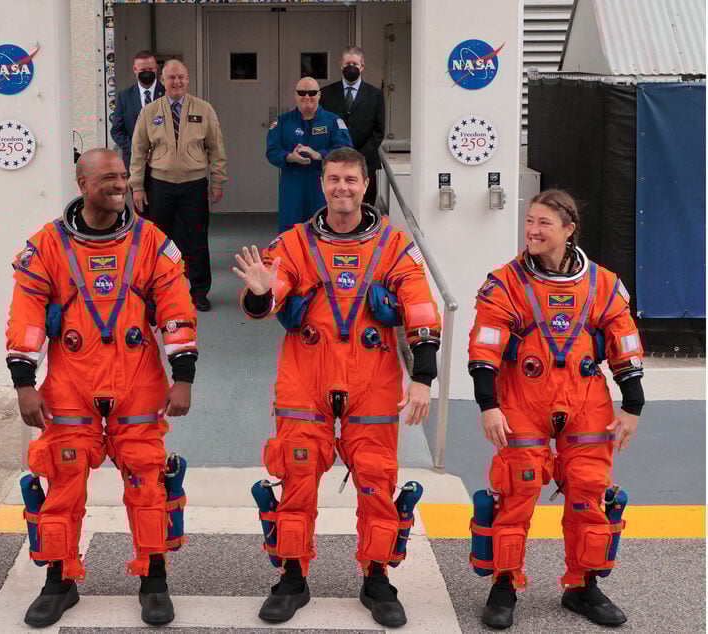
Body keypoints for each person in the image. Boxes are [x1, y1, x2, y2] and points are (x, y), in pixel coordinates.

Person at [234, 148, 441, 628]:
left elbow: (421, 311)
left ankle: (376, 577)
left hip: (372, 378)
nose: (341, 188)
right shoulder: (294, 243)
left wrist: (424, 380)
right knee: (298, 478)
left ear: (366, 184)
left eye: (350, 179)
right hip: (305, 379)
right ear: (322, 184)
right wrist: (263, 291)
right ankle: (292, 576)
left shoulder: (393, 245)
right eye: (333, 179)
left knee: (375, 480)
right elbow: (266, 297)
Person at [7, 148, 197, 627]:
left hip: (137, 380)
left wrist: (184, 377)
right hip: (71, 383)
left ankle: (154, 580)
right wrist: (24, 383)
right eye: (108, 177)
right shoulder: (47, 246)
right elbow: (26, 315)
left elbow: (176, 308)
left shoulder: (150, 241)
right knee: (63, 483)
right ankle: (60, 581)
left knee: (148, 482)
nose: (119, 183)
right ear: (82, 183)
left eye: (122, 176)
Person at [467, 189, 643, 629]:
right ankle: (504, 585)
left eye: (545, 223)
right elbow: (484, 346)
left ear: (569, 230)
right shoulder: (505, 281)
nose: (533, 230)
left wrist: (633, 405)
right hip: (522, 400)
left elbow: (624, 342)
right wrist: (489, 405)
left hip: (585, 400)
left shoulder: (602, 283)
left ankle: (582, 586)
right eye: (530, 221)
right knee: (516, 490)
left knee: (588, 489)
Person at [129, 60, 227, 312]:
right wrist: (137, 186)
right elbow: (138, 151)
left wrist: (217, 180)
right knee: (161, 240)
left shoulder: (204, 109)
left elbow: (216, 149)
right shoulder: (150, 111)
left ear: (187, 79)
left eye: (181, 77)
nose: (177, 82)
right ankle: (160, 290)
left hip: (193, 185)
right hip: (160, 186)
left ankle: (199, 291)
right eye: (171, 78)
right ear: (162, 79)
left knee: (196, 239)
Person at [266, 76, 352, 234]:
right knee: (290, 233)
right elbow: (272, 150)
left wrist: (319, 155)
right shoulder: (283, 122)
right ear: (295, 95)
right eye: (302, 92)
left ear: (319, 95)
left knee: (324, 230)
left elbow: (346, 150)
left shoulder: (333, 121)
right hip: (292, 185)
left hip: (323, 186)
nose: (307, 97)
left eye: (312, 93)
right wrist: (289, 157)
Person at [319, 47, 385, 207]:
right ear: (341, 65)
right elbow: (321, 127)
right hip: (334, 162)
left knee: (364, 208)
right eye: (347, 63)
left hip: (366, 162)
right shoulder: (326, 93)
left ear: (362, 66)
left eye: (355, 64)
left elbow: (379, 130)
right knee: (333, 207)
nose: (351, 67)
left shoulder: (375, 94)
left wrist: (359, 156)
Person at [110, 50, 165, 217]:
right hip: (135, 162)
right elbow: (117, 130)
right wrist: (136, 148)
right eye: (142, 70)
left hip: (163, 161)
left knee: (163, 207)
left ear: (156, 68)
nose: (146, 73)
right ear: (134, 69)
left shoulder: (167, 93)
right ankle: (143, 241)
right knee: (140, 208)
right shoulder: (124, 96)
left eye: (150, 69)